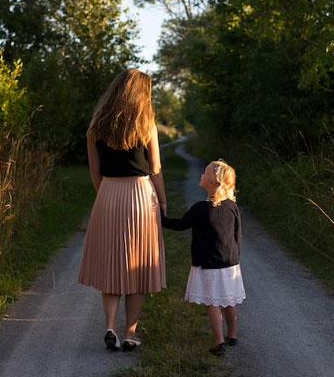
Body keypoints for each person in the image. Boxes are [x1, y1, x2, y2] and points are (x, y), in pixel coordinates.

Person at [77, 69, 167, 352]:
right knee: (137, 266)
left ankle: (110, 327)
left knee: (112, 265)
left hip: (108, 193)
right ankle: (130, 334)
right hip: (140, 195)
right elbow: (155, 169)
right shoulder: (146, 124)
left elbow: (94, 168)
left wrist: (103, 194)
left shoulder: (96, 126)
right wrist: (162, 202)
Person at [161, 160, 245, 355]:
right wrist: (235, 257)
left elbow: (180, 224)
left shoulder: (200, 209)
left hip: (208, 264)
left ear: (212, 183)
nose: (200, 175)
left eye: (204, 173)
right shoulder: (232, 207)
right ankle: (232, 335)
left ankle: (219, 342)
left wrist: (160, 218)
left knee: (213, 303)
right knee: (229, 300)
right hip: (230, 263)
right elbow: (237, 234)